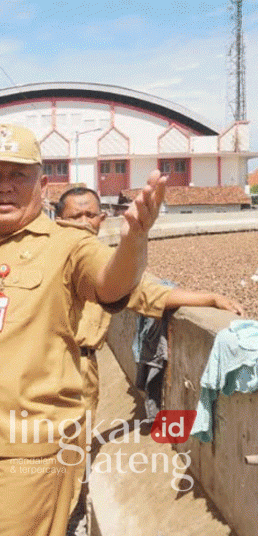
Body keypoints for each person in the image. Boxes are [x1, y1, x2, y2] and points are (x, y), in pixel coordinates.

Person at [0, 123, 168, 536]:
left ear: (41, 185)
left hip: (29, 451)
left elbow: (112, 283)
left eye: (18, 175)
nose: (4, 187)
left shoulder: (68, 245)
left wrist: (135, 240)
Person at [55, 186, 244, 515]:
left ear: (102, 219)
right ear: (59, 221)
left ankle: (61, 516)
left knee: (70, 453)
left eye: (90, 215)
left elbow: (146, 292)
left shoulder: (104, 266)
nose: (83, 222)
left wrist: (208, 299)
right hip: (47, 365)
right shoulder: (49, 257)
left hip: (83, 371)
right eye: (74, 216)